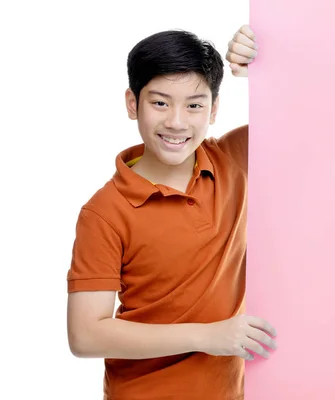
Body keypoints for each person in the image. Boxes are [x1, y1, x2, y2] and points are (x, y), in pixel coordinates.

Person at [66, 24, 274, 399]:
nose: (177, 121)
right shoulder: (105, 211)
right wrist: (209, 335)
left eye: (194, 105)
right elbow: (85, 334)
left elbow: (316, 114)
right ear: (133, 103)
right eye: (160, 102)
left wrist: (263, 71)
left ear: (213, 110)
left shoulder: (233, 161)